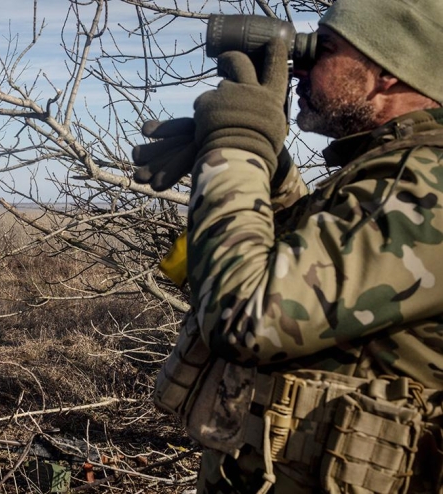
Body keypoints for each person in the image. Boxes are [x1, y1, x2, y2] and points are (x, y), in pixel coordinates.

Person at [135, 0, 443, 492]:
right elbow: (310, 270)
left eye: (323, 50)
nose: (297, 65)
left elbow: (249, 314)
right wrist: (268, 167)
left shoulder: (429, 184)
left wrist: (237, 142)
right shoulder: (393, 174)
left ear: (387, 72)